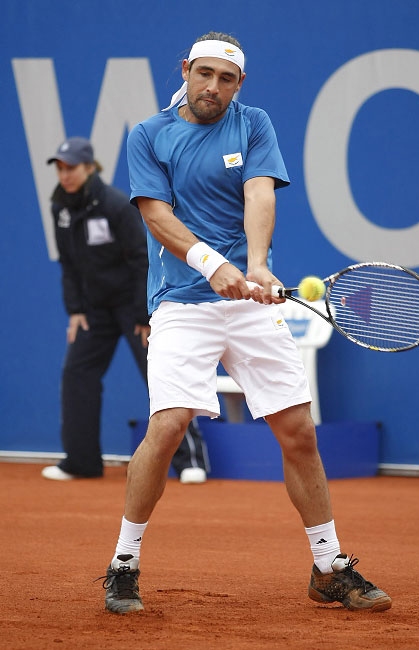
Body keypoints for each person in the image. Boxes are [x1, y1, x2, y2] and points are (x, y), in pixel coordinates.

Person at [100, 32, 392, 614]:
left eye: (226, 78)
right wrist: (213, 265)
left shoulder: (253, 124)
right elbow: (155, 215)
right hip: (181, 304)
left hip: (249, 304)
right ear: (186, 69)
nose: (213, 87)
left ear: (239, 84)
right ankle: (123, 563)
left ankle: (328, 566)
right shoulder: (150, 135)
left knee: (298, 431)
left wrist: (256, 265)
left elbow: (259, 194)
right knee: (169, 425)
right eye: (204, 73)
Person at [42, 137, 209, 484]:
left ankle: (190, 462)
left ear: (90, 168)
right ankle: (81, 461)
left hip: (131, 307)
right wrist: (75, 310)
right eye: (60, 168)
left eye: (71, 167)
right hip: (94, 309)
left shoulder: (116, 205)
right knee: (77, 374)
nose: (65, 174)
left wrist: (143, 315)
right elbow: (69, 264)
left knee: (161, 377)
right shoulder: (60, 209)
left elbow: (141, 260)